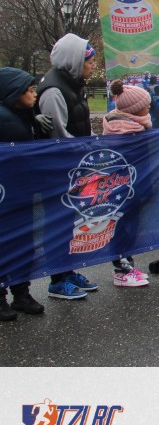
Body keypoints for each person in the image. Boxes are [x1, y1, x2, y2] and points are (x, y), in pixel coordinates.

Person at [36, 34, 99, 300]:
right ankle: (57, 280)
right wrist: (89, 150)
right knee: (57, 224)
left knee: (69, 222)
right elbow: (60, 136)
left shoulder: (73, 84)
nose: (93, 66)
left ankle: (67, 270)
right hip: (56, 169)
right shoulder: (54, 91)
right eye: (89, 61)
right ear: (74, 61)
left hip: (73, 167)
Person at [0, 67, 48, 318]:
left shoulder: (23, 114)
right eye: (29, 90)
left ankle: (21, 293)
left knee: (24, 242)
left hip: (21, 190)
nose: (34, 94)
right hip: (7, 192)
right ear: (13, 93)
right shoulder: (4, 118)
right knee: (6, 242)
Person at [101, 80, 153, 287]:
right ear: (133, 109)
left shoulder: (136, 126)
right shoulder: (123, 131)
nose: (149, 107)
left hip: (135, 184)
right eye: (145, 104)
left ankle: (128, 264)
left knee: (131, 225)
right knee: (122, 226)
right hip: (123, 187)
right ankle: (121, 270)